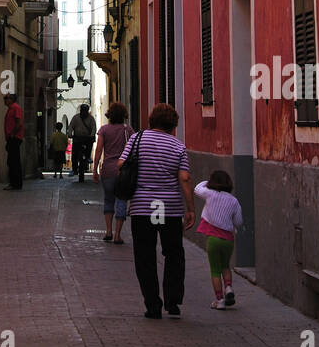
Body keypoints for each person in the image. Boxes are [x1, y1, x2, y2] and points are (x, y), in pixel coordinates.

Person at [117, 104, 194, 319]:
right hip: (169, 208)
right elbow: (185, 178)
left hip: (143, 207)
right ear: (173, 125)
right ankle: (173, 300)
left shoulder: (137, 140)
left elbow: (121, 164)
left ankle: (152, 304)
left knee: (145, 255)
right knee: (174, 254)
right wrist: (191, 209)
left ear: (152, 120)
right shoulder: (178, 146)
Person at [195, 171, 243, 309]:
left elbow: (197, 188)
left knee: (215, 270)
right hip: (228, 239)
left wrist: (207, 182)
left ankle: (220, 300)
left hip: (213, 239)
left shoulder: (210, 194)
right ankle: (228, 287)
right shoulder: (234, 201)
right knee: (225, 266)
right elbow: (239, 222)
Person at [92, 102, 133, 243]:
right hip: (123, 172)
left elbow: (98, 150)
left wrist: (95, 169)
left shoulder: (104, 130)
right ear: (123, 115)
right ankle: (117, 235)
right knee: (121, 200)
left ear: (110, 115)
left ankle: (108, 231)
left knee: (108, 200)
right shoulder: (128, 130)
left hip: (108, 170)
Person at [67, 104, 96, 181]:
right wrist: (70, 134)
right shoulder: (75, 118)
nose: (84, 113)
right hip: (77, 138)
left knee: (90, 145)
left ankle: (88, 156)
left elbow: (93, 127)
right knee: (74, 153)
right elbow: (71, 126)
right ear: (80, 111)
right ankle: (74, 169)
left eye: (85, 111)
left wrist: (92, 135)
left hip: (87, 138)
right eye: (82, 111)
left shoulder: (91, 118)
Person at [3, 93, 24, 190]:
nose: (5, 100)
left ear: (12, 99)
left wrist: (12, 134)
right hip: (12, 138)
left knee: (13, 161)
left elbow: (19, 123)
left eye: (6, 98)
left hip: (14, 138)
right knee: (12, 161)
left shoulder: (16, 108)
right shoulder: (11, 109)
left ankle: (15, 183)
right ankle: (14, 183)